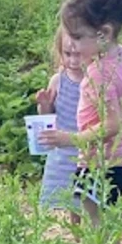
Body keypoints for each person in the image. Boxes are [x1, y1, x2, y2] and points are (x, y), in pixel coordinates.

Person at [38, 0, 122, 228]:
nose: (70, 44)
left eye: (76, 37)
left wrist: (68, 138)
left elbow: (112, 125)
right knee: (117, 229)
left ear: (104, 33)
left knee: (97, 234)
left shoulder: (98, 72)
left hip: (103, 165)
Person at [35, 25, 84, 214]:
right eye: (67, 54)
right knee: (58, 202)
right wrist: (45, 105)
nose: (73, 60)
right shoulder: (58, 80)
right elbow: (48, 119)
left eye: (78, 54)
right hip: (59, 155)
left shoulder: (94, 81)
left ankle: (80, 240)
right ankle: (65, 238)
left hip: (84, 150)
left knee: (82, 204)